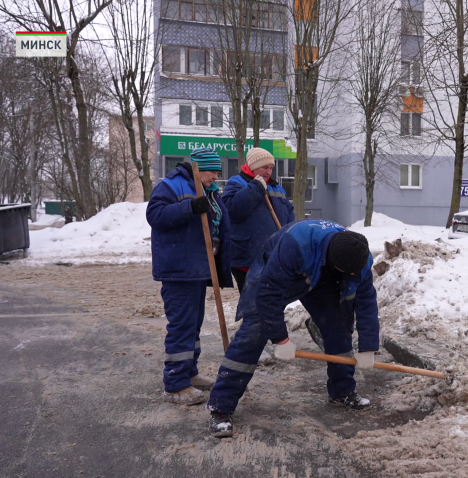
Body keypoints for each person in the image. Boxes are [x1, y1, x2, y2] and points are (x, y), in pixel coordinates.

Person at [206, 219, 379, 438]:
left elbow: (366, 304)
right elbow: (268, 295)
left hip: (323, 277)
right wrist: (281, 339)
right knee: (254, 331)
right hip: (279, 273)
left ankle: (342, 391)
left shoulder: (359, 259)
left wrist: (368, 347)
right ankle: (221, 407)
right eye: (348, 273)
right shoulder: (295, 245)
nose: (354, 276)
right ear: (338, 265)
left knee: (339, 328)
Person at [146, 147, 233, 406]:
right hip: (179, 270)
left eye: (218, 172)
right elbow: (155, 216)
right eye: (212, 172)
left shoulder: (210, 191)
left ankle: (190, 373)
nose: (215, 177)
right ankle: (175, 385)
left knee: (193, 326)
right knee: (182, 326)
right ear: (198, 168)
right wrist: (189, 207)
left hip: (198, 269)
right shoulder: (172, 186)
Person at [222, 147, 294, 292]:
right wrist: (255, 187)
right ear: (253, 166)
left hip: (274, 255)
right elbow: (233, 211)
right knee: (253, 300)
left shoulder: (277, 188)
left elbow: (289, 215)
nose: (268, 172)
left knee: (270, 298)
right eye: (264, 167)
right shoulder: (236, 183)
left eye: (271, 168)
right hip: (247, 256)